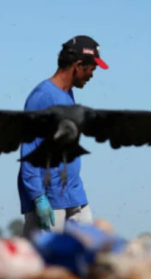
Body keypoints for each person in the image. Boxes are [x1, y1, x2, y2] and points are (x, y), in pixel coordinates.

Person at [17, 35, 109, 238]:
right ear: (78, 65)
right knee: (45, 264)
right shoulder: (42, 97)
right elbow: (29, 150)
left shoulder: (67, 94)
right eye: (91, 69)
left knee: (88, 254)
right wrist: (38, 197)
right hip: (49, 200)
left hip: (74, 196)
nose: (92, 75)